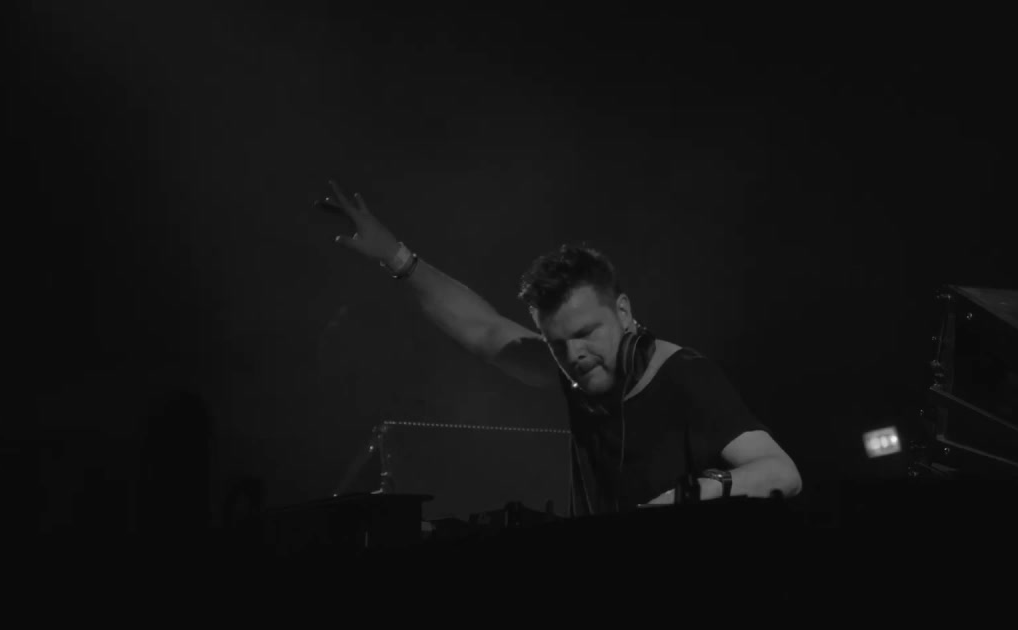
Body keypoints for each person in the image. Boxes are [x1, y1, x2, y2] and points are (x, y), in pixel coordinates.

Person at [316, 180, 801, 516]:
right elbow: (484, 330)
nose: (575, 354)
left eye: (588, 332)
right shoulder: (574, 370)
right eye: (558, 343)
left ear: (624, 312)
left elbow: (782, 472)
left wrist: (683, 499)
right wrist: (396, 257)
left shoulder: (683, 374)